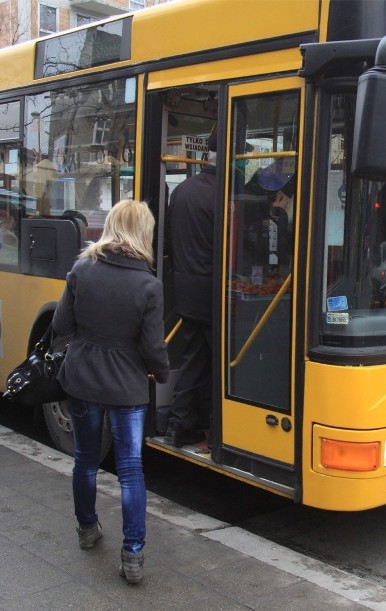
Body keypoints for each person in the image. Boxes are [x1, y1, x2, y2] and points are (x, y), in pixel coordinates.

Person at [52, 199, 169, 585]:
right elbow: (154, 348)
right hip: (127, 388)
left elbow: (61, 324)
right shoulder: (149, 285)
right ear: (144, 233)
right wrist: (160, 373)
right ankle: (132, 553)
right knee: (131, 470)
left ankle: (87, 529)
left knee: (85, 460)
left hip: (82, 379)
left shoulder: (82, 269)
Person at [163, 129, 217, 447]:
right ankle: (218, 427)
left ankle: (177, 427)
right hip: (216, 295)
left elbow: (170, 240)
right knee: (224, 365)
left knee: (195, 360)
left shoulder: (182, 191)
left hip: (185, 292)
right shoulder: (227, 192)